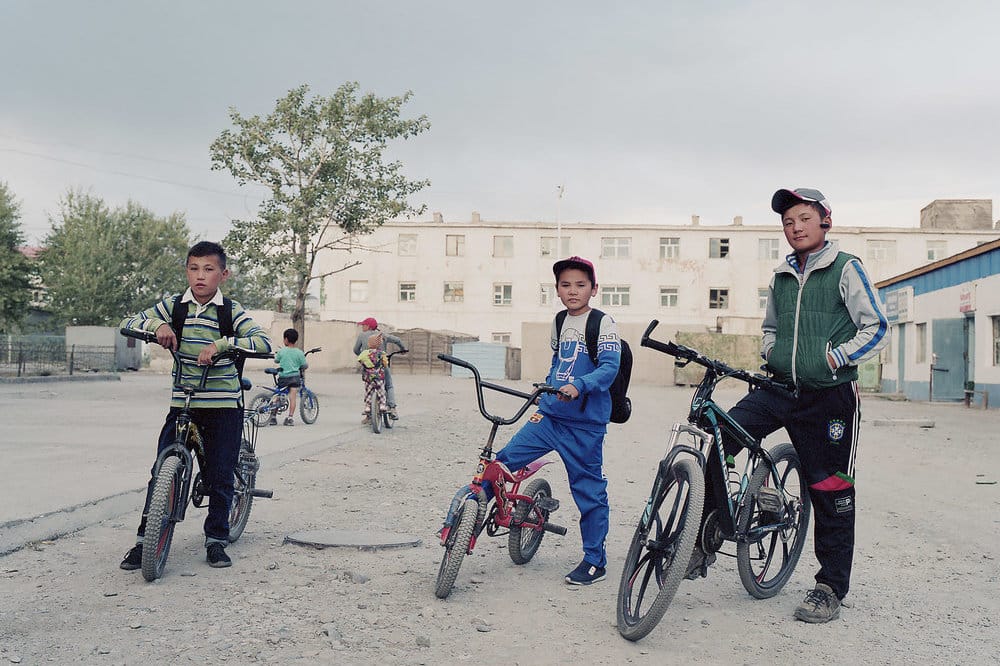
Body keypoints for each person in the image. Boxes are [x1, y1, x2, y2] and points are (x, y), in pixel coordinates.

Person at [695, 188, 889, 622]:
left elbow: (876, 327)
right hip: (779, 387)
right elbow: (771, 327)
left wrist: (833, 357)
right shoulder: (781, 275)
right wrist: (773, 353)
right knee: (719, 431)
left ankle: (829, 587)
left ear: (825, 221)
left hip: (829, 396)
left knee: (830, 488)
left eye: (803, 218)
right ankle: (705, 535)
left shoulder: (846, 268)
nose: (795, 227)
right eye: (788, 222)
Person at [118, 241, 273, 570]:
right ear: (186, 271)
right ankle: (145, 541)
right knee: (161, 468)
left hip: (223, 406)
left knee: (219, 475)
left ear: (223, 274)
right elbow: (128, 323)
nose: (200, 276)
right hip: (183, 401)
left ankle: (216, 539)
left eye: (208, 269)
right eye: (193, 268)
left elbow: (262, 342)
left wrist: (221, 345)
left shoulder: (230, 311)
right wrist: (157, 326)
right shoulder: (175, 307)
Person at [492, 256, 620, 585]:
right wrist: (548, 387)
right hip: (549, 416)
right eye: (566, 285)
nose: (573, 291)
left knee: (589, 493)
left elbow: (609, 368)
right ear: (557, 290)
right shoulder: (560, 321)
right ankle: (468, 517)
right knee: (503, 461)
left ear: (594, 288)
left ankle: (595, 561)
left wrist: (579, 386)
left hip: (584, 425)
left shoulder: (602, 323)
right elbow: (558, 360)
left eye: (580, 284)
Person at [352, 317, 407, 419]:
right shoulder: (382, 335)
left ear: (368, 326)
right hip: (381, 366)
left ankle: (369, 413)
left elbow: (355, 350)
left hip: (368, 368)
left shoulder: (362, 336)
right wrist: (403, 349)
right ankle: (392, 408)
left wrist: (365, 357)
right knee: (389, 385)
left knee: (368, 386)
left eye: (363, 325)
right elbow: (398, 340)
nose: (362, 327)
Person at [273, 328, 308, 426]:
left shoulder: (282, 351)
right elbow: (305, 365)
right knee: (292, 397)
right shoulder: (299, 353)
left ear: (286, 339)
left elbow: (276, 361)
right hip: (294, 377)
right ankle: (290, 417)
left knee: (278, 396)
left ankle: (273, 417)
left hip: (283, 377)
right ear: (296, 340)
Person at [357, 333, 389, 424]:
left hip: (368, 377)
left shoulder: (364, 353)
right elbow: (385, 364)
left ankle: (367, 407)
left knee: (368, 392)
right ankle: (382, 405)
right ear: (379, 344)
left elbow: (359, 360)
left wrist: (367, 365)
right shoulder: (381, 353)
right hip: (379, 377)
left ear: (369, 344)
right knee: (381, 391)